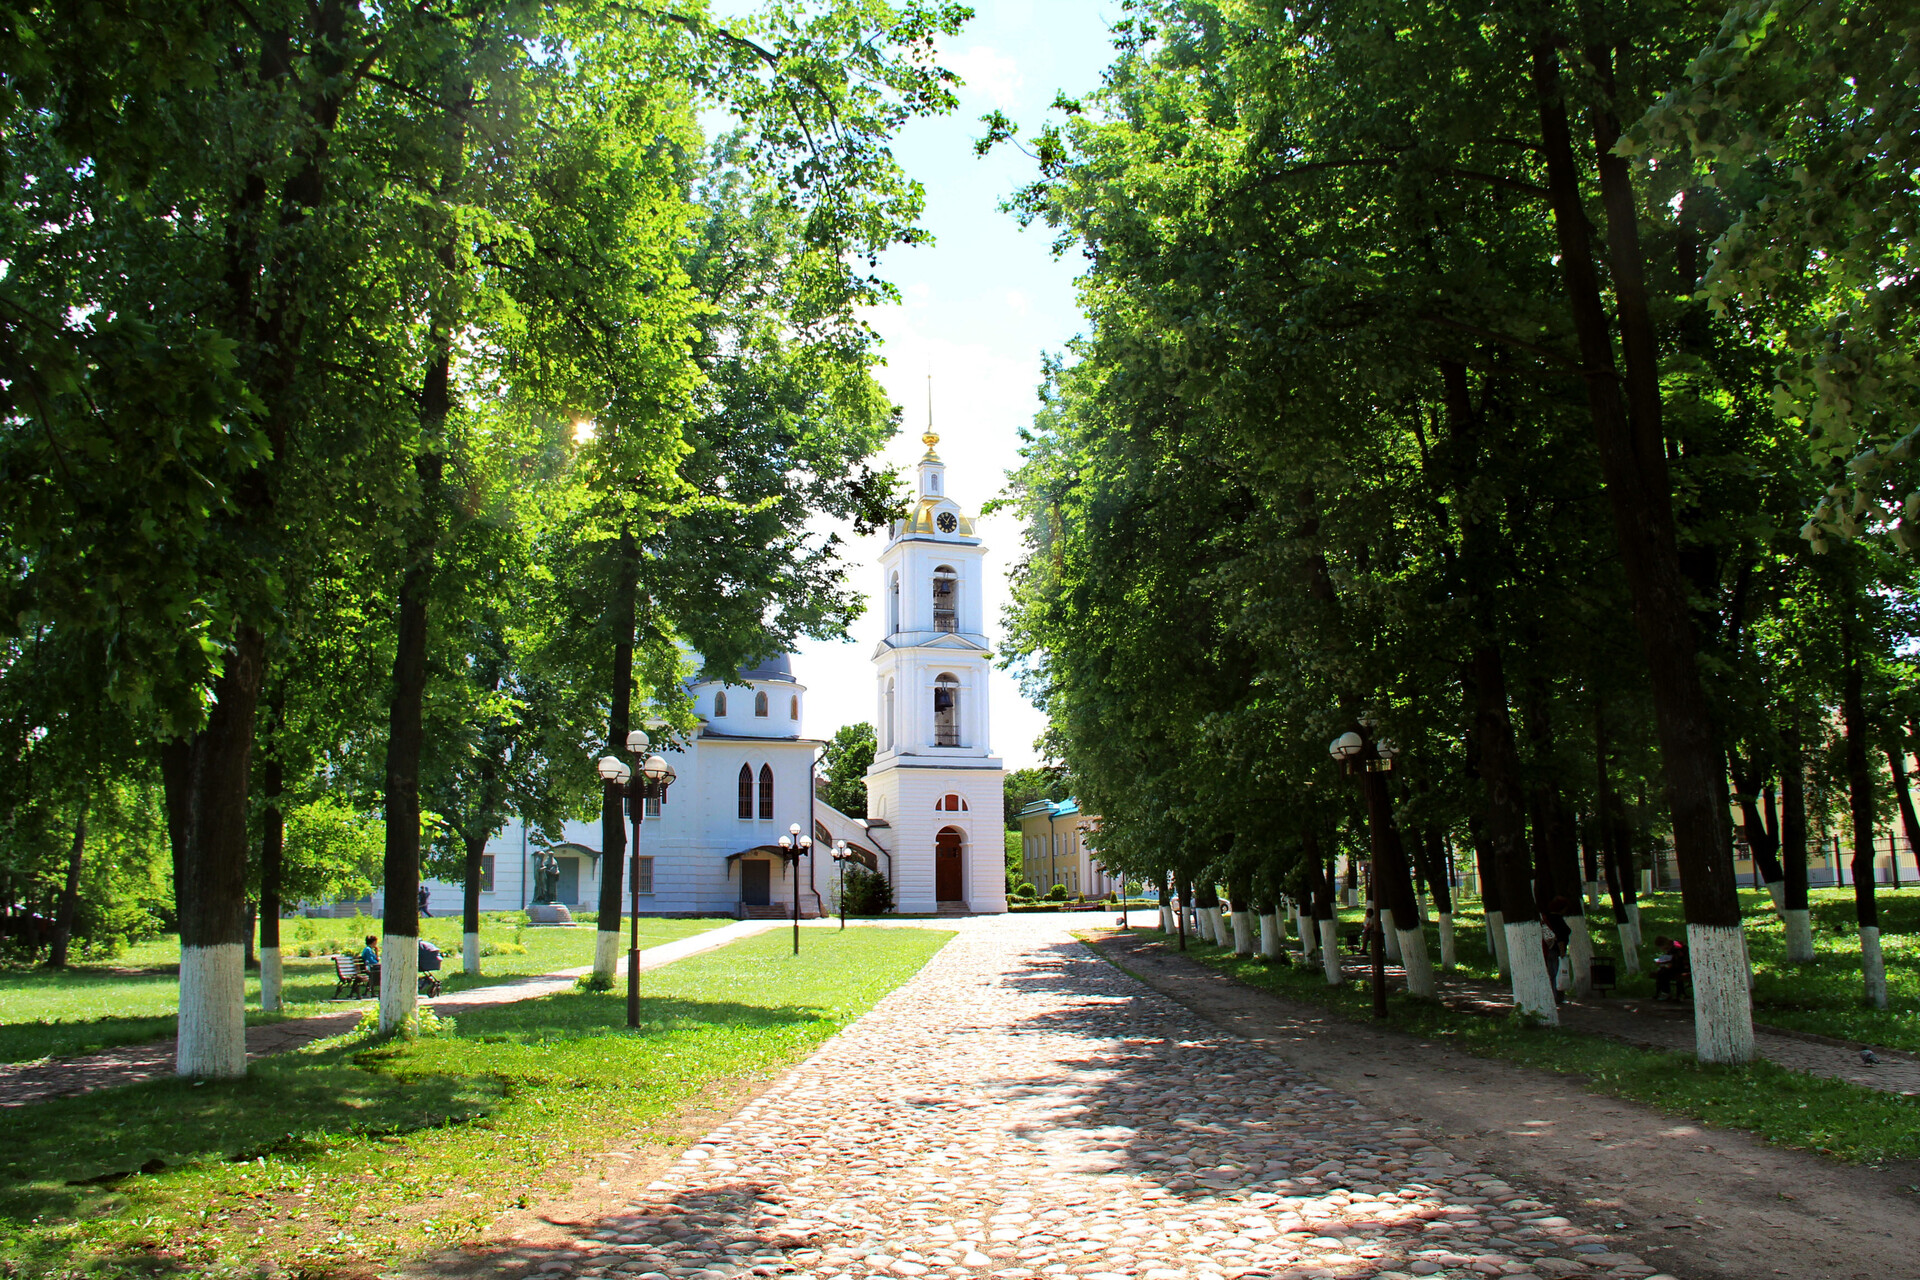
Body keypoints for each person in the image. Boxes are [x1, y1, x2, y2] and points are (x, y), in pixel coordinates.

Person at [1541, 897, 1572, 1004]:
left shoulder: (1546, 918)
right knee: (1558, 973)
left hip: (1547, 949)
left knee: (1552, 973)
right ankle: (1558, 997)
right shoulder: (1558, 919)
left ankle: (1552, 995)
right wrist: (1562, 951)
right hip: (1557, 950)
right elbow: (1561, 936)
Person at [1653, 935, 1690, 1000]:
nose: (1662, 949)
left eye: (1661, 947)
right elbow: (1671, 958)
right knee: (1661, 971)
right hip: (1678, 965)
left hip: (1684, 966)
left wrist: (1670, 964)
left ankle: (1666, 993)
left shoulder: (1676, 947)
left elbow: (1680, 959)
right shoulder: (1672, 946)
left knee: (1663, 972)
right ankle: (1664, 992)